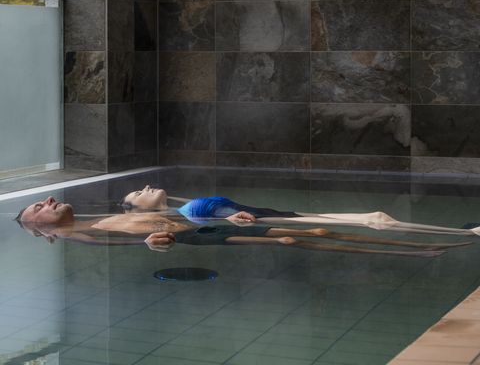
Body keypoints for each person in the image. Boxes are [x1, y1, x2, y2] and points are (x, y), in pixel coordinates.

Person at [14, 195, 472, 257]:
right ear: (42, 230)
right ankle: (416, 250)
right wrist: (148, 243)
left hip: (197, 226)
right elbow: (114, 247)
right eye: (40, 206)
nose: (49, 200)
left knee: (310, 231)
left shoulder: (93, 215)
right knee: (295, 236)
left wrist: (221, 214)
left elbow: (168, 214)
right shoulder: (74, 232)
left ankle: (422, 245)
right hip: (193, 239)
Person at [121, 186, 480, 237]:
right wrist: (229, 219)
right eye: (139, 193)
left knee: (373, 217)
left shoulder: (181, 204)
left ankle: (464, 231)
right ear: (137, 209)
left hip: (270, 211)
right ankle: (465, 232)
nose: (146, 187)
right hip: (265, 218)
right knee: (374, 220)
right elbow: (211, 220)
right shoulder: (187, 213)